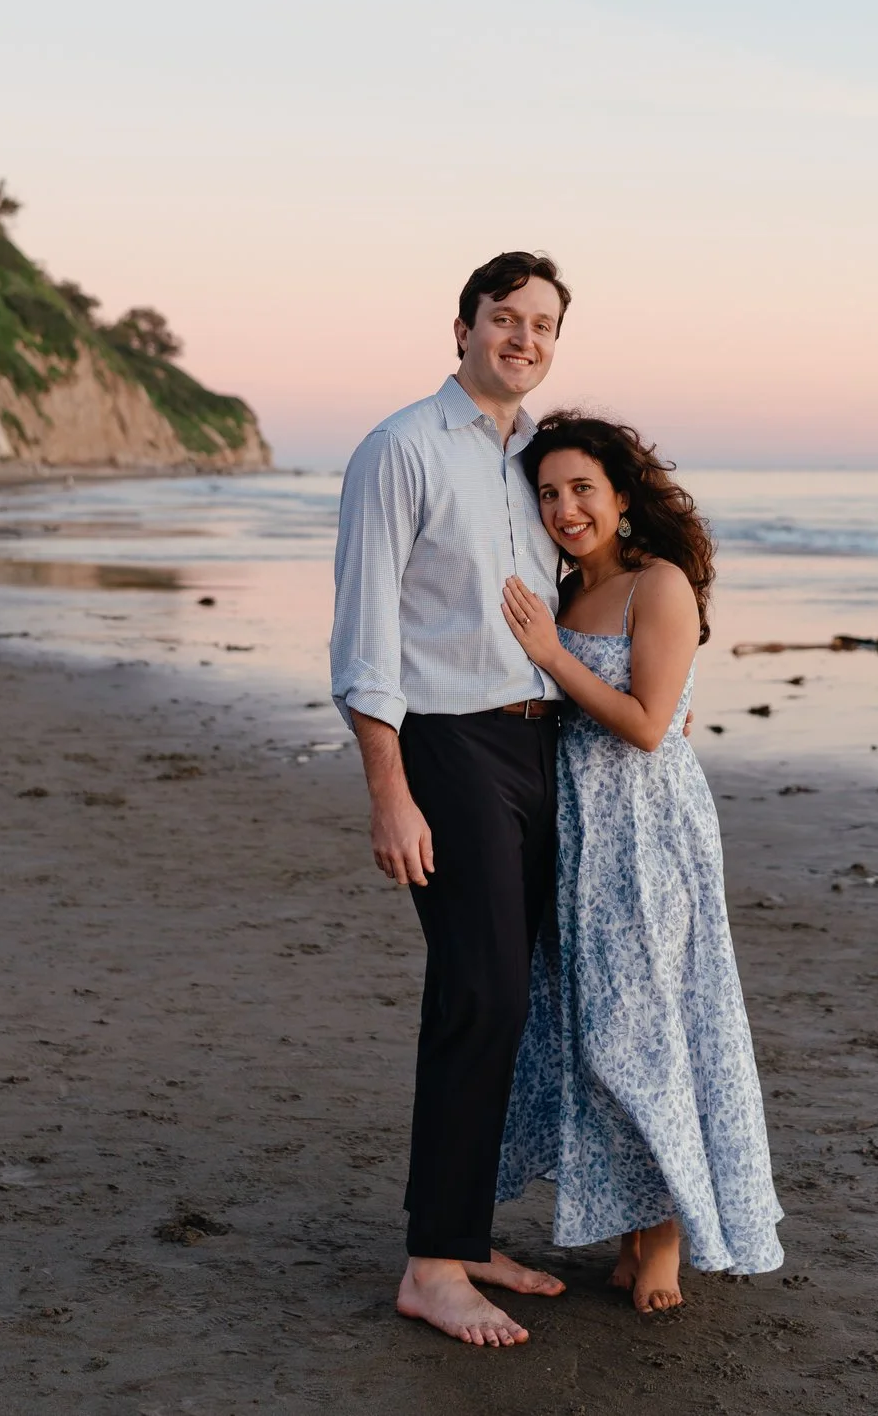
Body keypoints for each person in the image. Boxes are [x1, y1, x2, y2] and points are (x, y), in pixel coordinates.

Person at [329, 251, 576, 1347]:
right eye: (504, 318)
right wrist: (389, 790)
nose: (523, 338)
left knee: (495, 996)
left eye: (542, 325)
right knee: (484, 994)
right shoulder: (400, 449)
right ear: (463, 327)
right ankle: (433, 1265)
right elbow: (365, 635)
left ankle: (463, 1236)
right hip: (446, 744)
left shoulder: (535, 461)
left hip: (535, 748)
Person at [494, 413, 785, 1312]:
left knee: (649, 1027)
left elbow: (652, 726)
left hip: (648, 833)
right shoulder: (563, 587)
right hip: (576, 830)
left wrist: (549, 655)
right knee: (593, 1032)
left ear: (622, 497)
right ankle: (632, 1222)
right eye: (548, 492)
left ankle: (665, 1236)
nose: (565, 507)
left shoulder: (657, 586)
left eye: (583, 488)